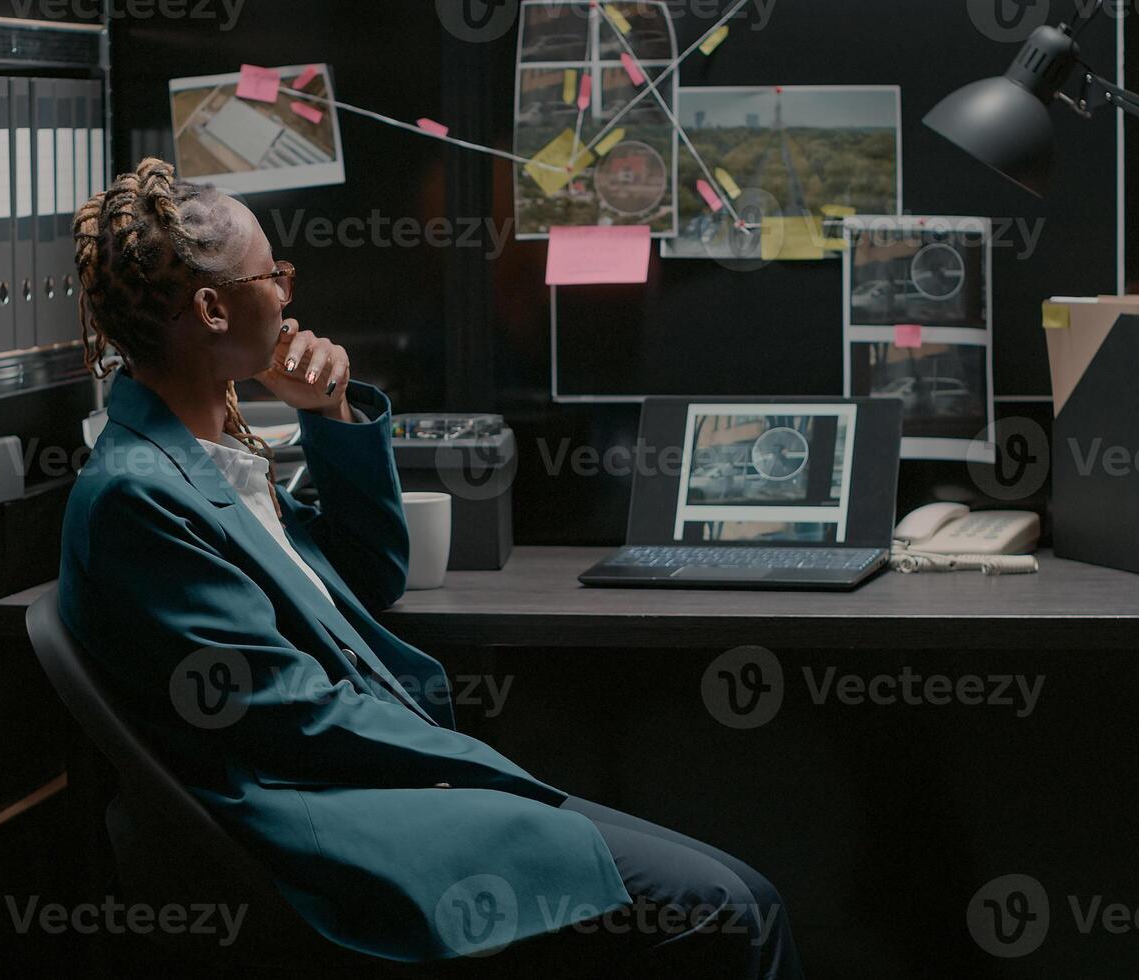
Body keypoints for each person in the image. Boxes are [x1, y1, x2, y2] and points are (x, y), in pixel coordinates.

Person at [58, 156, 802, 977]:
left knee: (739, 892)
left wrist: (333, 418)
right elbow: (288, 715)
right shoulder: (139, 495)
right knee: (736, 910)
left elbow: (368, 575)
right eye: (275, 275)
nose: (288, 294)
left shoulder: (212, 455)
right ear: (210, 307)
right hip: (330, 833)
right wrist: (469, 767)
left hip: (381, 786)